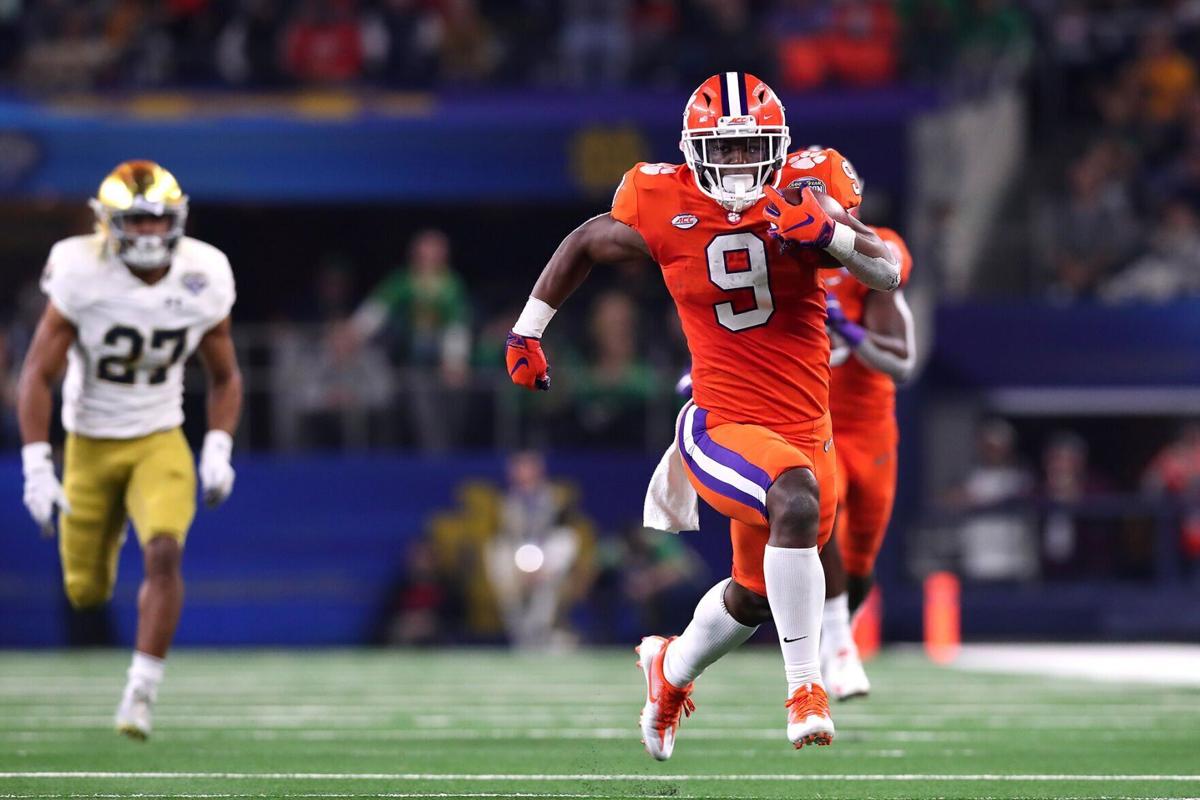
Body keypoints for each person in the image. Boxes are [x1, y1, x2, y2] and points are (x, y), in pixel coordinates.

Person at [505, 72, 899, 758]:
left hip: (807, 427)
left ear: (779, 147)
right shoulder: (665, 199)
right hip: (720, 422)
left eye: (754, 148)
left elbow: (886, 268)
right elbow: (590, 240)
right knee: (795, 503)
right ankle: (806, 691)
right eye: (730, 148)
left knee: (754, 594)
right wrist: (527, 329)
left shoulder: (812, 185)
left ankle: (670, 670)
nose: (743, 164)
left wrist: (830, 233)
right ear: (695, 150)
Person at [17, 160, 242, 740]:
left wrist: (217, 446)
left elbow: (224, 374)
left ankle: (140, 693)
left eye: (156, 221)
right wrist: (38, 468)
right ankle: (111, 521)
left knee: (165, 551)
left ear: (177, 220)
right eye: (135, 222)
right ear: (108, 224)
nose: (146, 234)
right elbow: (37, 374)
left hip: (158, 434)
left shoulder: (204, 272)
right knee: (84, 590)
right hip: (89, 440)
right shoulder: (78, 270)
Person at [816, 216, 915, 701]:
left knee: (860, 559)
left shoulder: (877, 250)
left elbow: (902, 360)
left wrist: (848, 330)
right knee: (820, 521)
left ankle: (836, 634)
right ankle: (838, 648)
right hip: (812, 418)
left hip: (869, 423)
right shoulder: (769, 248)